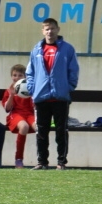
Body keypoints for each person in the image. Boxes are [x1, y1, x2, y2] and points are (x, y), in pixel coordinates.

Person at [26, 18, 79, 170]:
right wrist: (32, 88)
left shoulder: (67, 49)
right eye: (47, 29)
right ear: (43, 31)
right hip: (41, 97)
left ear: (58, 29)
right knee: (41, 131)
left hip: (60, 97)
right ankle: (42, 162)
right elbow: (30, 72)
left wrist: (68, 87)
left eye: (52, 28)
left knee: (61, 131)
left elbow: (73, 70)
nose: (50, 32)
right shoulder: (36, 50)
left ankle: (61, 162)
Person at [1, 63, 35, 169]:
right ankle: (19, 159)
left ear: (25, 77)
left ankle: (42, 160)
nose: (16, 78)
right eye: (14, 75)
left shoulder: (29, 89)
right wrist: (11, 95)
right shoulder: (9, 90)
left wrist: (34, 95)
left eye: (20, 75)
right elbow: (7, 109)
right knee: (24, 126)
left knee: (40, 127)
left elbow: (34, 107)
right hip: (16, 115)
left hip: (29, 114)